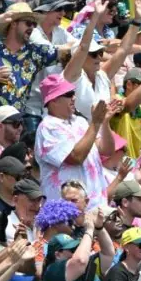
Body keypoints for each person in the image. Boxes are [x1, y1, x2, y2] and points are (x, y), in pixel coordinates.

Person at [35, 75, 115, 209]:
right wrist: (95, 123)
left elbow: (106, 150)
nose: (74, 98)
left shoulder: (80, 121)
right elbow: (75, 157)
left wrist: (104, 122)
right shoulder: (48, 127)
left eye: (74, 93)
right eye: (68, 94)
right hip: (66, 211)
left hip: (96, 206)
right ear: (53, 100)